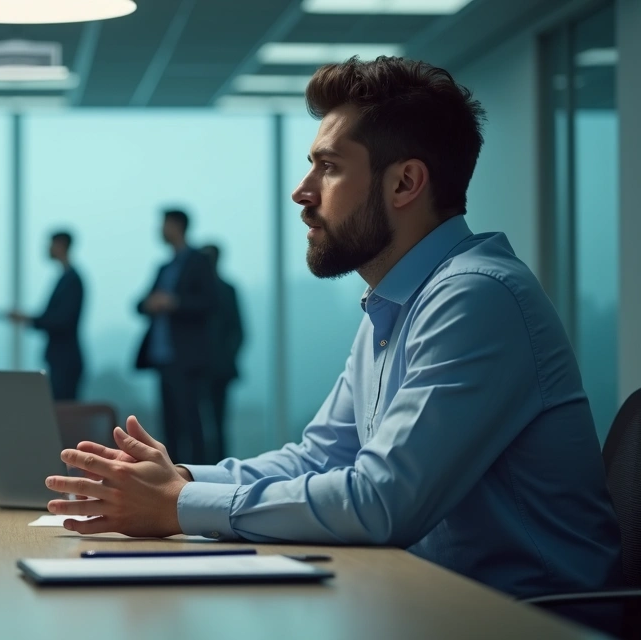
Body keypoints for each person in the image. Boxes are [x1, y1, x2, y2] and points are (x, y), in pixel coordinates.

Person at [45, 57, 622, 600]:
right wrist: (176, 478)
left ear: (404, 184)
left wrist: (180, 504)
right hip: (420, 601)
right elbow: (318, 460)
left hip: (522, 619)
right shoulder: (397, 302)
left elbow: (380, 501)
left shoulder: (476, 297)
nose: (302, 191)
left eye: (329, 166)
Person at [134, 209, 216, 463]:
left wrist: (174, 303)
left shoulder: (198, 261)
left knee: (191, 422)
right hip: (163, 357)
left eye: (164, 224)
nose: (160, 229)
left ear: (177, 226)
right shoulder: (164, 267)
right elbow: (139, 304)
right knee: (169, 425)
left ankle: (198, 482)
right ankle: (171, 481)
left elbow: (210, 303)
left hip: (188, 358)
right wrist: (151, 304)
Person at [8, 231, 85, 401]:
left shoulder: (72, 280)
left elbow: (63, 320)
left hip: (66, 359)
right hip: (61, 358)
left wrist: (29, 319)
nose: (48, 249)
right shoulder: (66, 278)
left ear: (61, 246)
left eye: (51, 244)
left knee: (64, 412)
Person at [199, 244, 244, 460]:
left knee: (216, 423)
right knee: (203, 424)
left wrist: (224, 358)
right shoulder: (225, 289)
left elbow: (238, 331)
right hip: (204, 368)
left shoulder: (227, 290)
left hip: (218, 370)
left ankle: (216, 466)